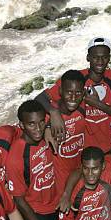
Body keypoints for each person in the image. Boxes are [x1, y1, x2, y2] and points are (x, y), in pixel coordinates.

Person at [37, 37, 111, 153]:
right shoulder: (76, 80)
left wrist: (99, 104)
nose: (100, 61)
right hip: (84, 151)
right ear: (88, 58)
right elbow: (41, 98)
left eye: (104, 57)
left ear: (109, 58)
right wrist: (54, 113)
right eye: (95, 57)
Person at [49, 70, 86, 199]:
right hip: (59, 183)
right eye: (69, 92)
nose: (73, 98)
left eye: (78, 93)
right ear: (60, 92)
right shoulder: (49, 118)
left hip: (81, 175)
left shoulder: (83, 109)